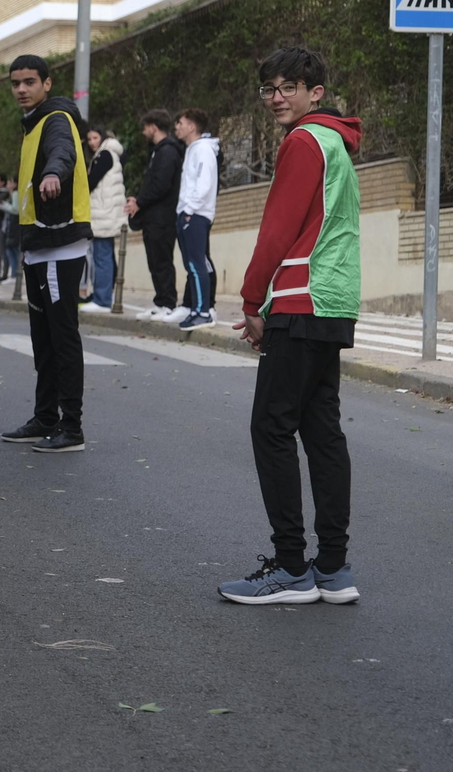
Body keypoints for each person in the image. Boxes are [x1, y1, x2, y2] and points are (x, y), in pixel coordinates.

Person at [219, 46, 361, 606]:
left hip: (302, 301)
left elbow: (279, 230)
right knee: (321, 430)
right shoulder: (337, 143)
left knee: (271, 428)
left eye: (289, 87)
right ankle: (333, 567)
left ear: (315, 92)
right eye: (269, 89)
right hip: (332, 302)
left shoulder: (304, 143)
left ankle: (290, 567)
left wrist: (255, 301)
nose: (277, 97)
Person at [0, 54, 91, 454]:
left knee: (62, 337)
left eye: (29, 82)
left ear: (47, 84)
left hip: (59, 243)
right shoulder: (33, 123)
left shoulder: (55, 119)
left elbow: (63, 152)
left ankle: (71, 427)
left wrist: (54, 173)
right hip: (40, 244)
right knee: (44, 339)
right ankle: (45, 417)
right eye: (16, 83)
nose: (21, 89)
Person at [127, 110, 185, 320]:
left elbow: (161, 185)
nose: (144, 132)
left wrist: (139, 203)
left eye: (145, 127)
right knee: (155, 260)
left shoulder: (168, 151)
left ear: (153, 126)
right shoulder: (158, 151)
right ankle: (160, 301)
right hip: (153, 217)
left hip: (163, 218)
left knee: (162, 261)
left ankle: (168, 302)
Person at [174, 108, 221, 331]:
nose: (177, 127)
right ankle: (198, 309)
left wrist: (189, 212)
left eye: (180, 123)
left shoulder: (203, 150)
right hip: (190, 213)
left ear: (192, 127)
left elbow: (203, 184)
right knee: (195, 263)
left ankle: (203, 312)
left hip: (195, 215)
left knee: (196, 264)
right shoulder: (193, 149)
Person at [83, 127, 126, 312]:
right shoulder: (109, 153)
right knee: (104, 256)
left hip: (104, 213)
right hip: (105, 212)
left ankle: (102, 300)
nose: (92, 142)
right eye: (89, 139)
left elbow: (90, 182)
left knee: (102, 257)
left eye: (95, 137)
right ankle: (102, 296)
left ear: (103, 137)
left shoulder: (105, 154)